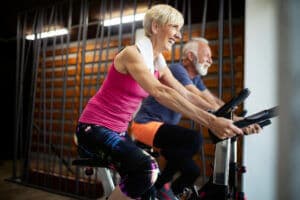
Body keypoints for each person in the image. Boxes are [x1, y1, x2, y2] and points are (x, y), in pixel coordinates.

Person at [75, 4, 243, 200]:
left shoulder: (157, 61)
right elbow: (160, 91)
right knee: (147, 169)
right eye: (174, 28)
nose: (179, 36)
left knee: (151, 192)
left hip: (119, 133)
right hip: (93, 129)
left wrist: (228, 116)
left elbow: (185, 93)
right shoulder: (132, 54)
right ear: (155, 27)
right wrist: (211, 122)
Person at [130, 37, 261, 198]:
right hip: (145, 125)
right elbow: (196, 96)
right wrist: (233, 119)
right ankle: (160, 185)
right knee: (194, 139)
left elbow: (212, 101)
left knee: (192, 172)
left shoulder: (196, 78)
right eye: (207, 55)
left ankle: (164, 195)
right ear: (191, 56)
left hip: (163, 131)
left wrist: (238, 118)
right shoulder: (177, 70)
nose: (210, 61)